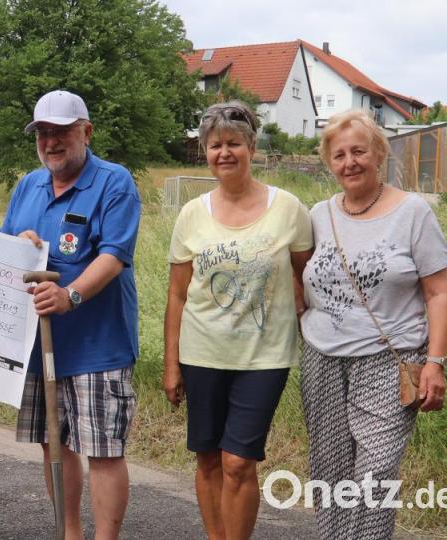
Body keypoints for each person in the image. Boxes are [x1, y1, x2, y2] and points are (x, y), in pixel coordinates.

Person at [299, 110, 447, 539]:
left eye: (359, 152)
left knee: (376, 472)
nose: (349, 162)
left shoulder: (412, 212)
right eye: (339, 154)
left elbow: (438, 293)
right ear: (329, 161)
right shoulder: (318, 214)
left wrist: (435, 363)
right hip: (322, 360)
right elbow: (300, 278)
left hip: (389, 362)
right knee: (330, 469)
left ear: (379, 153)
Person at [163, 101, 313, 540]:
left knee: (238, 461)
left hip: (264, 358)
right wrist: (172, 363)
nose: (223, 153)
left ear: (251, 146)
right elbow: (175, 295)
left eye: (233, 143)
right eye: (214, 145)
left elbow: (307, 272)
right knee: (208, 458)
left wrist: (303, 309)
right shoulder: (192, 215)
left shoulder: (288, 209)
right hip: (202, 353)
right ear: (204, 152)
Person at [1, 90, 140, 540]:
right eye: (43, 132)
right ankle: (70, 533)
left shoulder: (114, 181)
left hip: (98, 347)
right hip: (40, 347)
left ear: (86, 131)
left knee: (102, 450)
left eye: (61, 131)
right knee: (53, 444)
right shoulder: (27, 186)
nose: (51, 142)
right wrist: (19, 246)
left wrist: (70, 296)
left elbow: (114, 256)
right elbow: (7, 254)